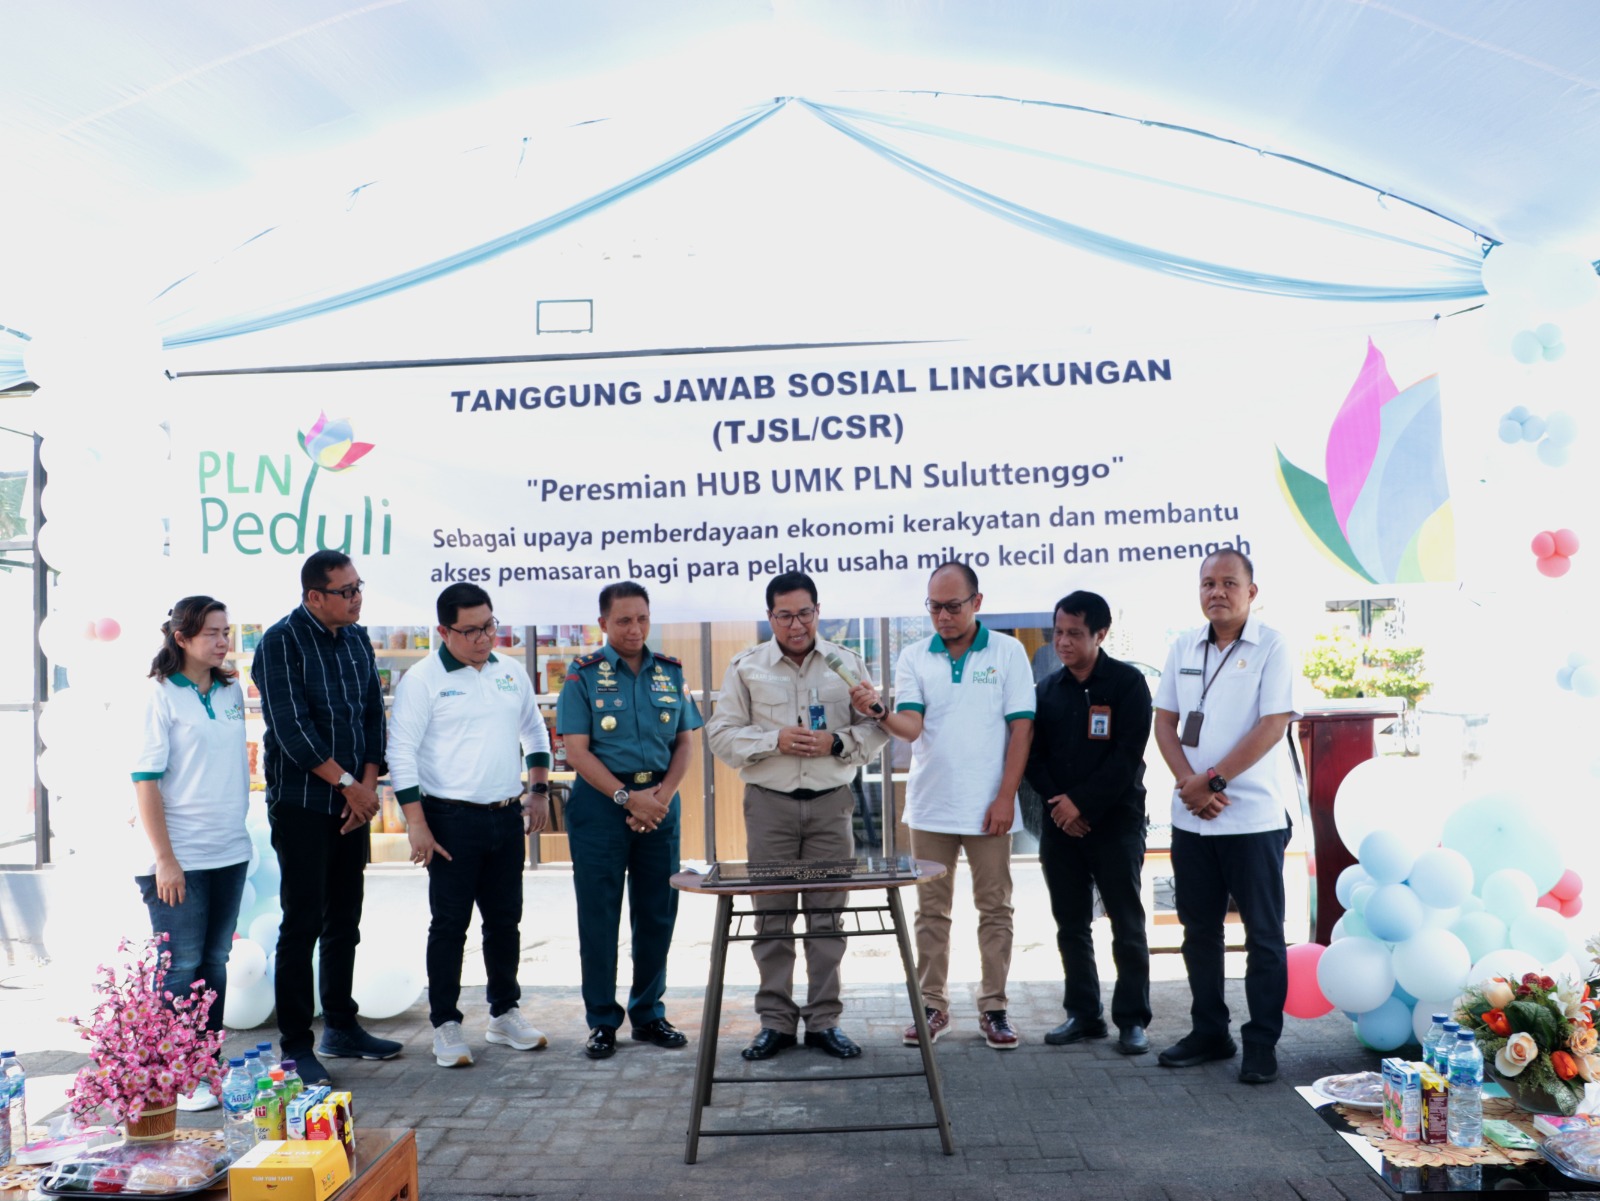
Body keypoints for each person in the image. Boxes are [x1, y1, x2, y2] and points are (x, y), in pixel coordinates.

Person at [850, 562, 1034, 1050]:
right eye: (934, 607)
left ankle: (994, 1008)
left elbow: (1022, 729)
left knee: (995, 908)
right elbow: (910, 726)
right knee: (931, 912)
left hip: (989, 806)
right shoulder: (915, 656)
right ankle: (932, 1005)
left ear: (977, 602)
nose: (943, 616)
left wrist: (1005, 796)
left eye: (953, 606)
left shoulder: (1008, 651)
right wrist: (881, 712)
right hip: (931, 805)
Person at [706, 572, 889, 1061]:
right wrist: (773, 741)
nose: (796, 624)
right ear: (770, 617)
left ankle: (825, 1020)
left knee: (828, 916)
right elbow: (720, 735)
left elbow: (877, 725)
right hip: (770, 806)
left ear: (817, 611)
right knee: (772, 916)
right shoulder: (746, 666)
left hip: (832, 805)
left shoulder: (845, 663)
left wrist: (838, 743)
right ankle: (777, 1022)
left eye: (804, 613)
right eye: (784, 615)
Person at [386, 583, 552, 1068]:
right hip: (450, 819)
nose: (484, 638)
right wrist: (416, 823)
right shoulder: (422, 680)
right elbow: (402, 754)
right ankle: (446, 1024)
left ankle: (504, 1012)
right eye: (471, 630)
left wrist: (537, 789)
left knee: (505, 922)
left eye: (490, 626)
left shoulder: (510, 671)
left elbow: (534, 730)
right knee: (450, 925)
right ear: (443, 631)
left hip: (505, 814)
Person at [1152, 549, 1299, 1085]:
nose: (1217, 592)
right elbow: (1165, 722)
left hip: (1252, 817)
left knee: (1263, 935)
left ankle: (1260, 1042)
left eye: (1229, 583)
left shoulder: (1273, 646)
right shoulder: (1182, 646)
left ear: (1252, 592)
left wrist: (1212, 781)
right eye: (1208, 583)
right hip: (1193, 819)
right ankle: (1209, 1031)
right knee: (1199, 932)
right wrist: (1190, 786)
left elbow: (1271, 724)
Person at [254, 550, 399, 1086]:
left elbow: (370, 714)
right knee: (303, 923)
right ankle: (296, 1046)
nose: (357, 597)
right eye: (346, 590)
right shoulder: (279, 643)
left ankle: (341, 1023)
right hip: (304, 805)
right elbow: (292, 732)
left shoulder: (358, 638)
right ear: (314, 596)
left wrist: (365, 785)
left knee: (345, 918)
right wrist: (346, 786)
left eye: (359, 587)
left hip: (351, 802)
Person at [556, 580, 703, 1060]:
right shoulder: (582, 675)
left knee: (657, 913)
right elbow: (576, 751)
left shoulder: (669, 672)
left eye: (642, 618)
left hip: (660, 801)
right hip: (602, 805)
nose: (634, 628)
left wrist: (659, 797)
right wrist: (627, 798)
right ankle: (602, 1021)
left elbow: (685, 741)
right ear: (603, 624)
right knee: (599, 916)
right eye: (623, 620)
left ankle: (649, 1014)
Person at [131, 595, 252, 1112]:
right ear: (181, 638)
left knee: (215, 962)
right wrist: (165, 858)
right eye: (212, 634)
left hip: (229, 849)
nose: (223, 642)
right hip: (178, 856)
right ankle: (177, 1075)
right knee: (180, 967)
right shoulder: (157, 696)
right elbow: (145, 781)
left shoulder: (229, 690)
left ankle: (207, 1064)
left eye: (226, 632)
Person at [1025, 591, 1154, 1056]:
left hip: (1115, 820)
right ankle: (1083, 1013)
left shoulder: (1127, 684)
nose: (1063, 642)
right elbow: (1033, 758)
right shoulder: (1046, 690)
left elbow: (1126, 757)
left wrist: (1082, 805)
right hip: (1061, 824)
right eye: (1057, 632)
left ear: (1100, 634)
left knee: (1126, 921)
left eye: (1074, 633)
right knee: (1070, 922)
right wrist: (1062, 807)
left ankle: (1132, 1019)